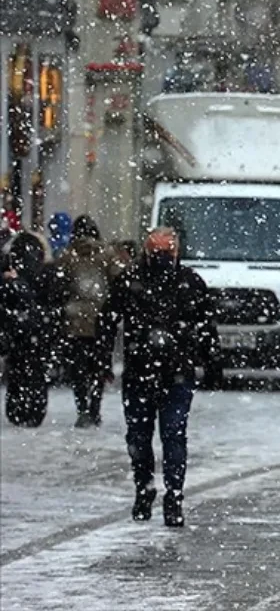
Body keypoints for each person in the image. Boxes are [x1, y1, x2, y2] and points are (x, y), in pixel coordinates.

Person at [99, 228, 219, 527]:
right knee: (160, 436)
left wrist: (101, 361)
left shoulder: (138, 281)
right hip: (160, 371)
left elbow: (107, 322)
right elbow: (206, 327)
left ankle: (160, 493)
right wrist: (209, 359)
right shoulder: (180, 282)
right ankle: (160, 493)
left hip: (158, 372)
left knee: (155, 435)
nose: (163, 256)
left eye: (165, 251)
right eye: (160, 251)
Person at [52, 216, 125, 427]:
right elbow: (118, 280)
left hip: (75, 320)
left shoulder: (68, 256)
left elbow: (60, 284)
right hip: (101, 319)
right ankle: (95, 407)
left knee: (78, 369)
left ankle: (82, 407)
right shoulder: (107, 255)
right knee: (99, 366)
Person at [1, 231, 60, 427]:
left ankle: (18, 409)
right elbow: (54, 298)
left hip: (19, 328)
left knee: (18, 368)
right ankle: (33, 410)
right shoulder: (46, 272)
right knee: (35, 371)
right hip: (38, 329)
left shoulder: (13, 275)